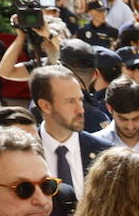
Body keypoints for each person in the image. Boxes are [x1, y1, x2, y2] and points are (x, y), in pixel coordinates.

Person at [30, 64, 111, 200]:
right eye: (71, 102)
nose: (81, 110)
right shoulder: (25, 153)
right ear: (45, 106)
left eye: (80, 100)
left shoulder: (104, 153)